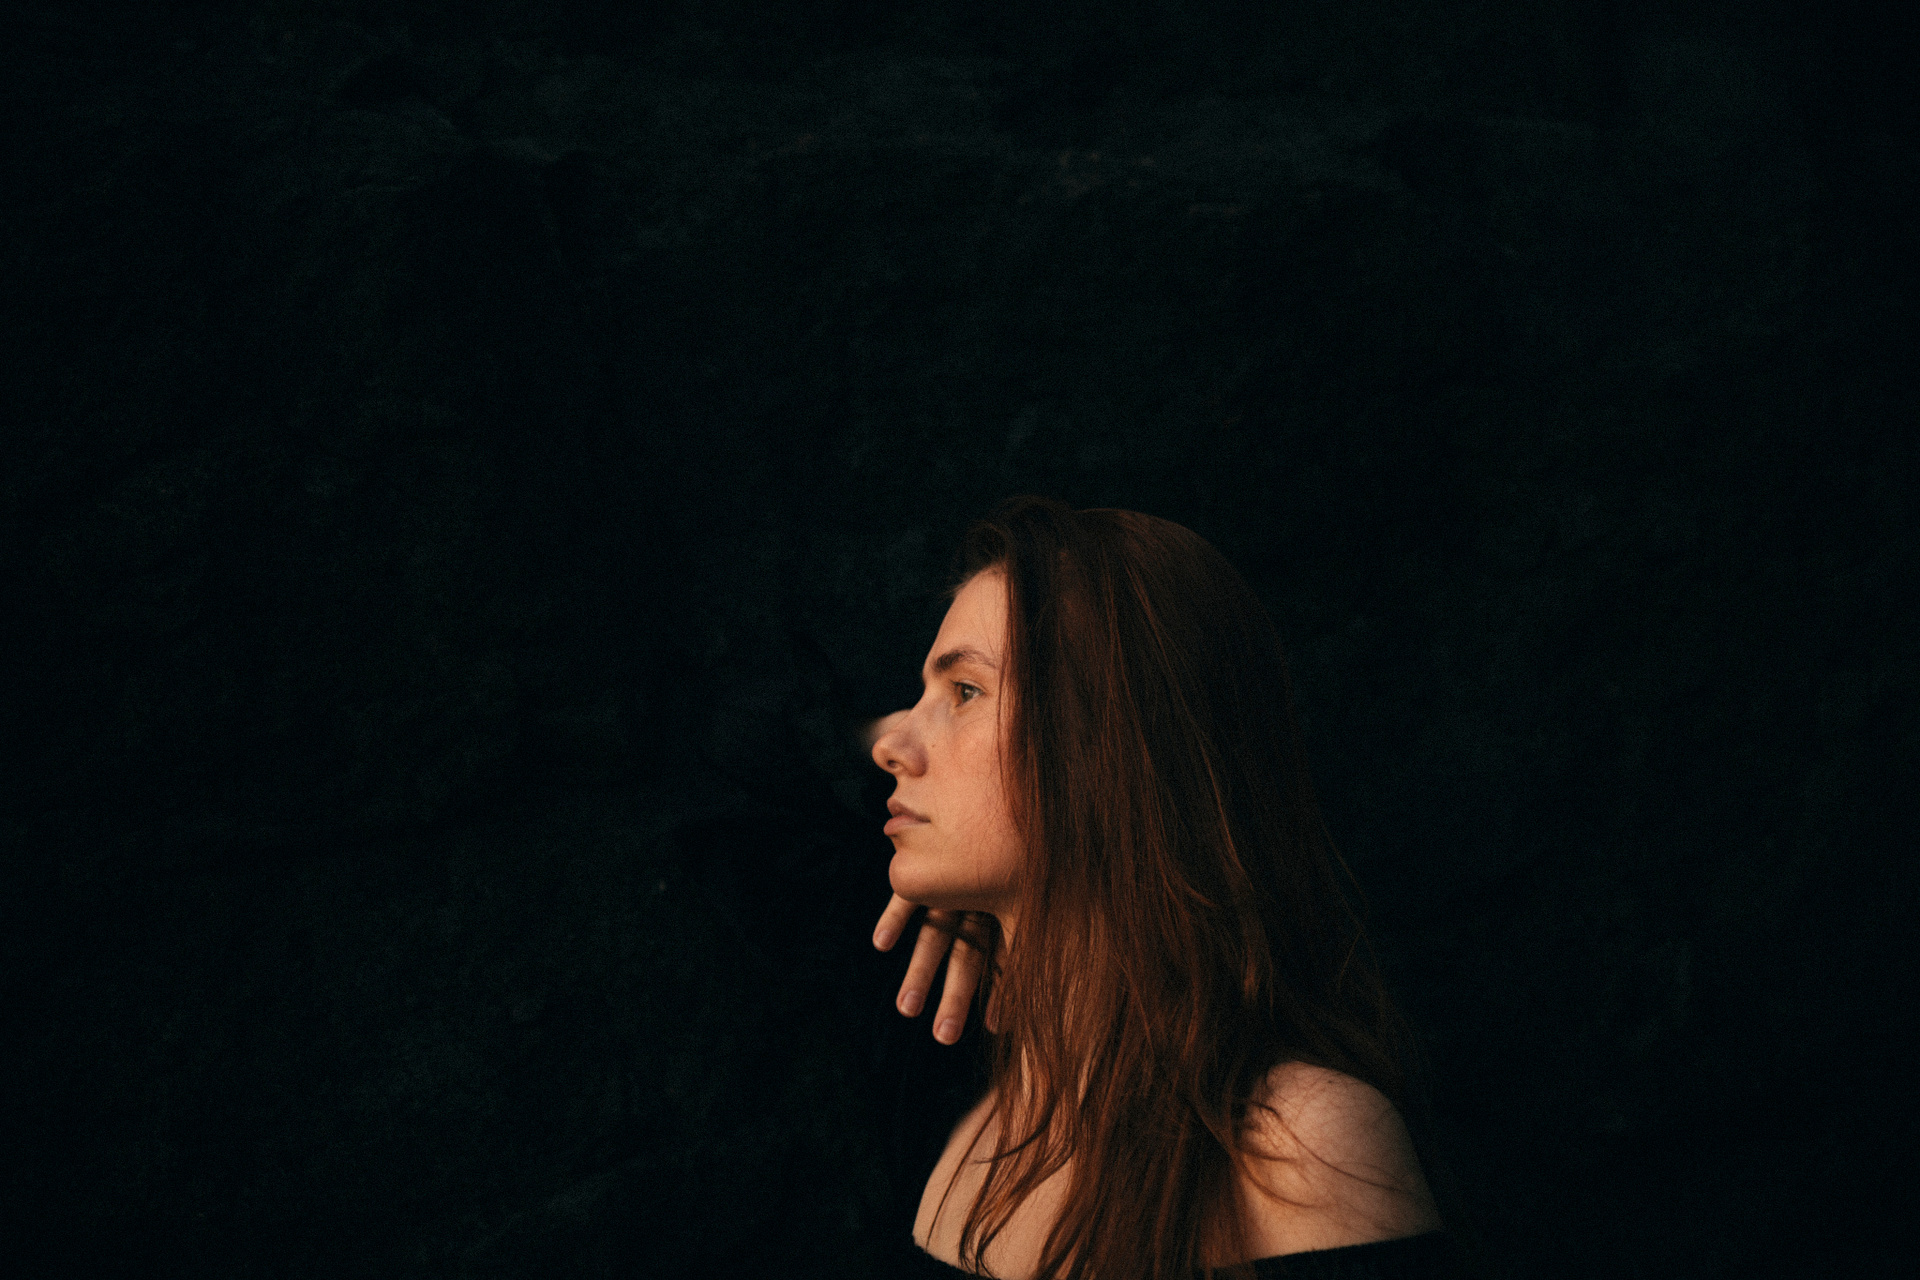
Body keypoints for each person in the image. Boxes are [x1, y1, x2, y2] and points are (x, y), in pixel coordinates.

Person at [863, 496, 1470, 1279]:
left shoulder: (1295, 1150)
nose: (892, 742)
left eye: (966, 692)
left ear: (1114, 745)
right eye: (923, 693)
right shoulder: (978, 1139)